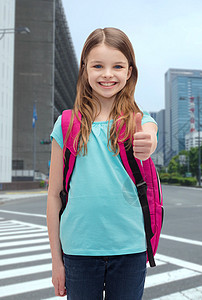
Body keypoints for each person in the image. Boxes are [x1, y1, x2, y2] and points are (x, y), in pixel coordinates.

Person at [47, 27, 158, 299]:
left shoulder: (138, 122)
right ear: (85, 69)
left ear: (129, 71)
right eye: (98, 65)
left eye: (117, 66)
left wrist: (148, 143)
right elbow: (53, 195)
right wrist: (56, 261)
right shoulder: (65, 124)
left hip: (130, 249)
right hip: (78, 251)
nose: (107, 74)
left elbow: (149, 137)